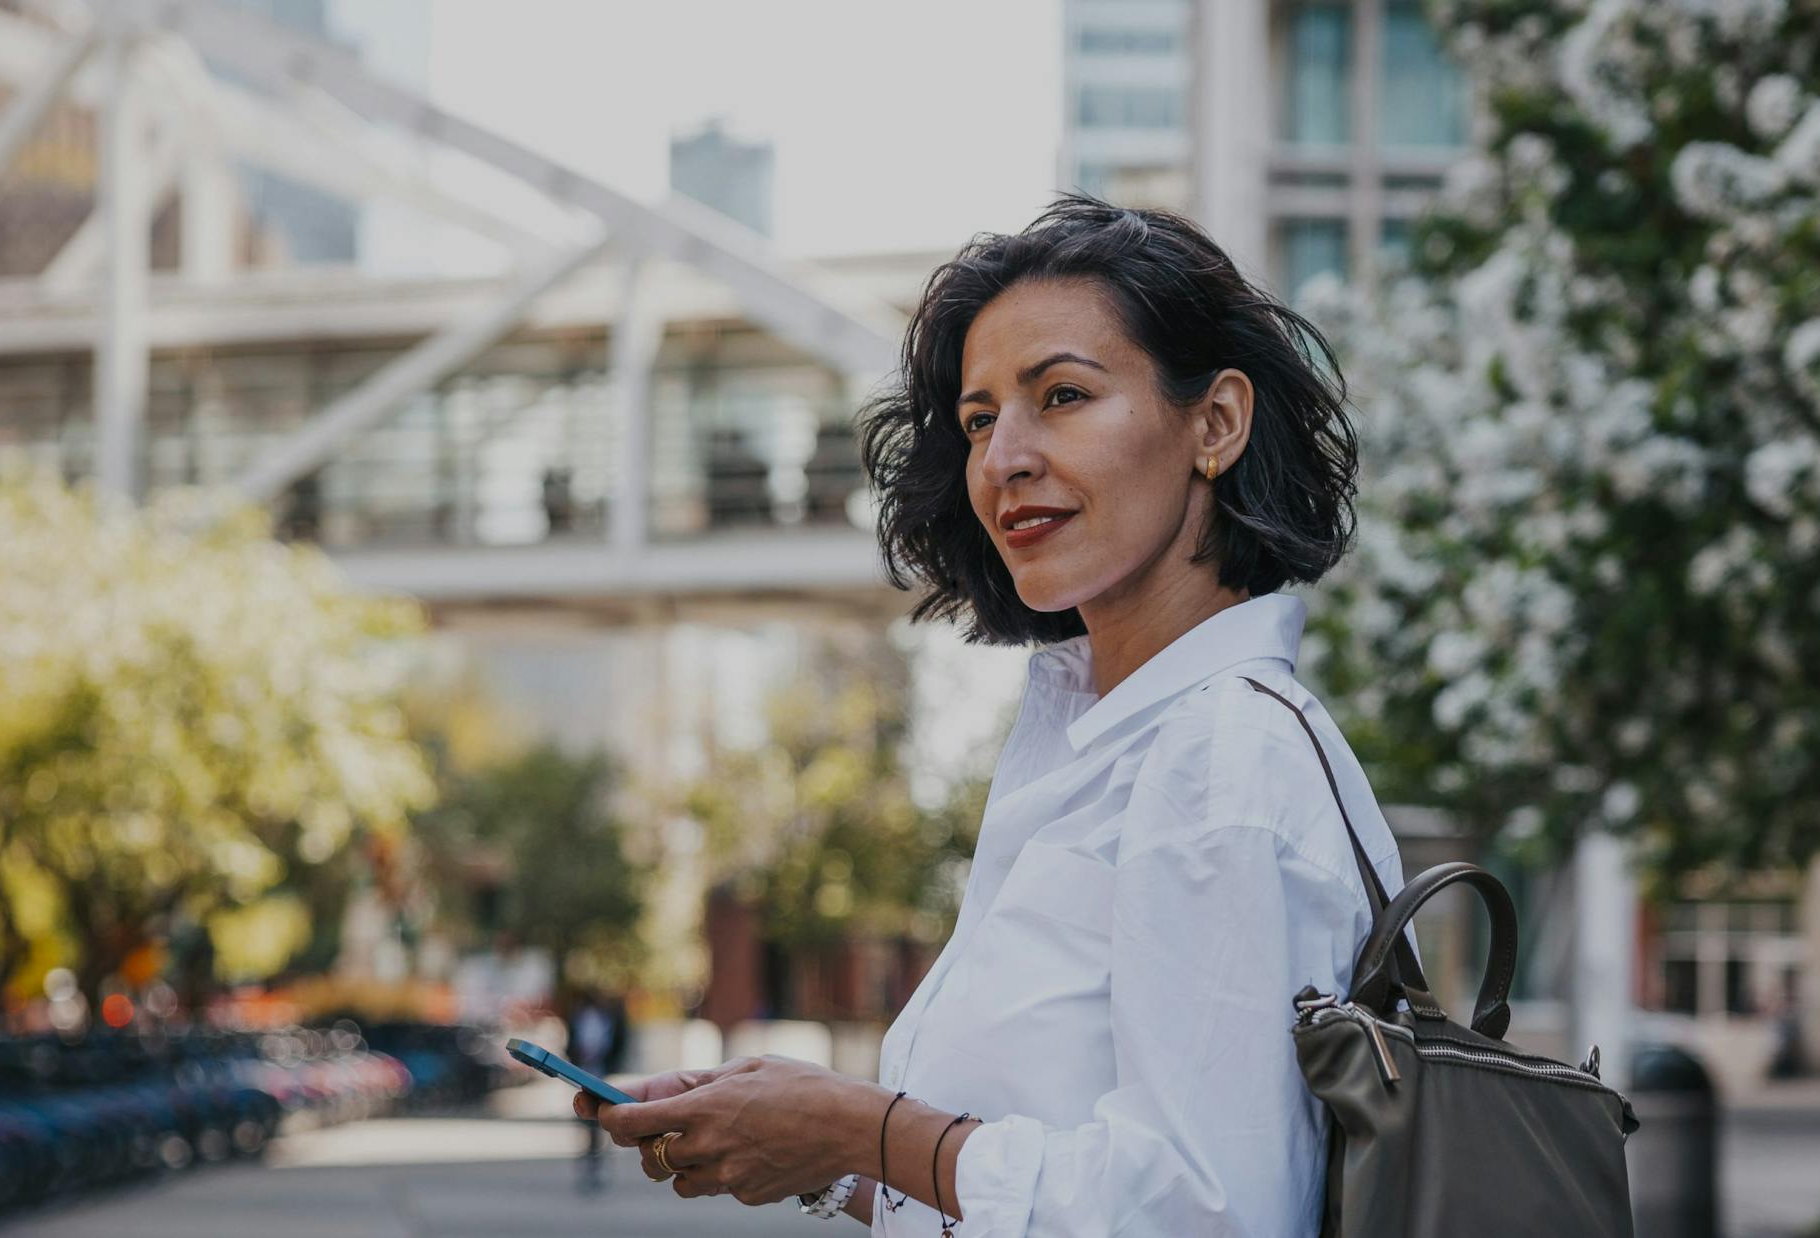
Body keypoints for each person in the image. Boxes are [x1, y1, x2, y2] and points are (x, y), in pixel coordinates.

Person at [576, 195, 1407, 1235]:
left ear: (1216, 422)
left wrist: (860, 1127)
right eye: (978, 420)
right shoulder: (1093, 741)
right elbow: (1058, 1172)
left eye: (1061, 394)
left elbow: (1211, 1211)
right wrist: (814, 1150)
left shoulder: (1217, 755)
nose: (1003, 457)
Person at [565, 988, 631, 1194]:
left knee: (602, 1121)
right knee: (586, 1121)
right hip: (582, 1073)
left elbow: (619, 1044)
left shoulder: (610, 1018)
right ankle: (590, 1164)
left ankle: (599, 1164)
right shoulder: (578, 1017)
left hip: (602, 1074)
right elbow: (571, 1043)